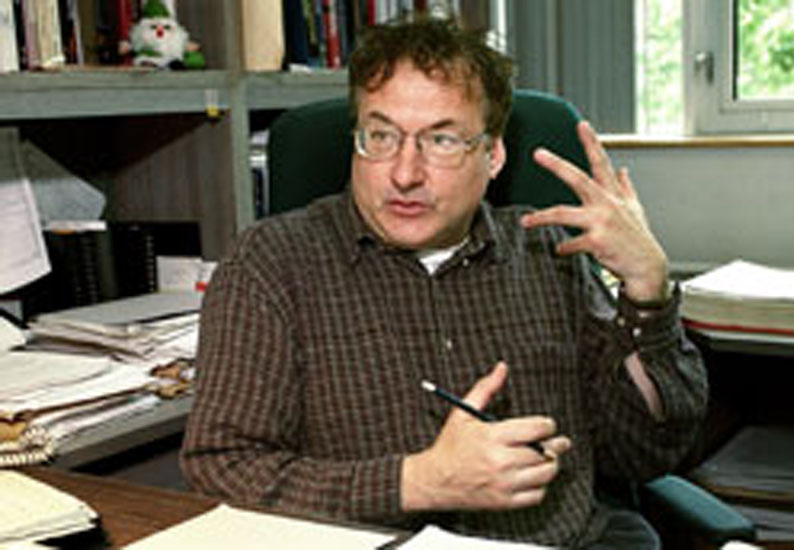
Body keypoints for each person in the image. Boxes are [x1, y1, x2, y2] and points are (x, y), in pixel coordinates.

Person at [180, 17, 707, 549]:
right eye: (381, 136)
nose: (405, 173)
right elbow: (222, 469)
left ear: (493, 156)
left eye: (442, 140)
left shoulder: (549, 254)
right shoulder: (270, 265)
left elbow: (643, 454)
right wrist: (418, 482)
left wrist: (648, 294)